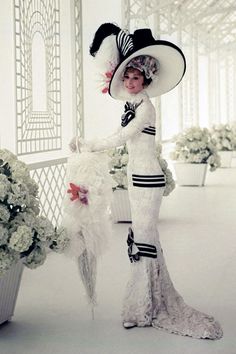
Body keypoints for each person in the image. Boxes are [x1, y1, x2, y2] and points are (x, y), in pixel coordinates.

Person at [69, 23, 223, 339]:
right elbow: (119, 135)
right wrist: (90, 143)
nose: (130, 81)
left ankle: (141, 308)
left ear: (146, 79)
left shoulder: (146, 109)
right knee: (144, 240)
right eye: (126, 76)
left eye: (135, 77)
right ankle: (149, 302)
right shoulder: (131, 104)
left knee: (144, 239)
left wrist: (90, 143)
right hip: (135, 178)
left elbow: (123, 135)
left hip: (148, 180)